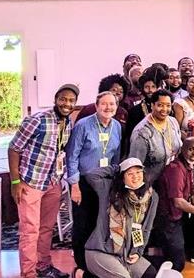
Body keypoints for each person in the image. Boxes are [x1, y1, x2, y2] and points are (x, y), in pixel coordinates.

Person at [8, 84, 78, 278]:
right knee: (30, 231)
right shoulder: (37, 120)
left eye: (71, 101)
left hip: (52, 182)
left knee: (47, 229)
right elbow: (14, 148)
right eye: (63, 99)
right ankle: (28, 273)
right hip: (31, 182)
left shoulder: (69, 123)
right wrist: (15, 182)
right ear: (56, 99)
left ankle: (43, 267)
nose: (67, 103)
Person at [66, 91, 122, 275]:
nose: (108, 108)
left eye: (112, 104)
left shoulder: (117, 127)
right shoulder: (83, 125)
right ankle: (81, 266)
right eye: (104, 104)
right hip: (83, 183)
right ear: (96, 106)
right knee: (83, 223)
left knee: (100, 223)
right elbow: (72, 156)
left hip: (105, 182)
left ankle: (96, 264)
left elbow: (116, 156)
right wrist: (74, 185)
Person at [83, 158, 158, 278]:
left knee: (150, 274)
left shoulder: (152, 196)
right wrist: (116, 169)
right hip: (100, 251)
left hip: (124, 253)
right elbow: (91, 175)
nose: (135, 177)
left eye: (138, 172)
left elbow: (146, 228)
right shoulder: (108, 189)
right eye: (130, 173)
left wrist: (138, 252)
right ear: (122, 178)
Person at [154, 138, 194, 271]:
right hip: (167, 219)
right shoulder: (175, 169)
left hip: (180, 217)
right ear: (183, 149)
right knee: (177, 264)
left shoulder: (189, 166)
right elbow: (178, 202)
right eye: (191, 149)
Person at [129, 89, 183, 184]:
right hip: (151, 183)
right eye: (160, 105)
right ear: (152, 105)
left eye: (168, 105)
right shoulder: (142, 133)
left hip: (173, 179)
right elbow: (135, 165)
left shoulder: (173, 122)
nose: (164, 109)